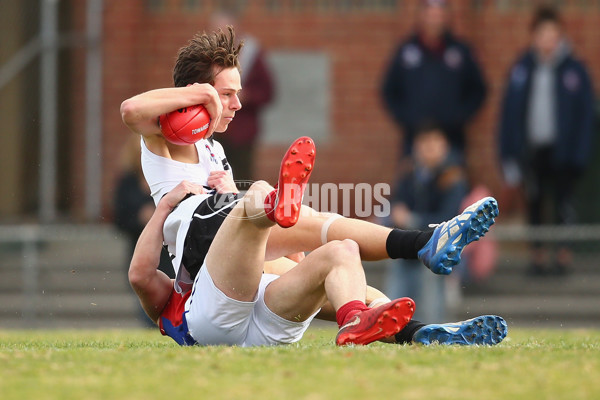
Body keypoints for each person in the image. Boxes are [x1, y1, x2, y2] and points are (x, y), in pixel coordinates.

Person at [121, 27, 506, 346]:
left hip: (262, 318)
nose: (237, 103)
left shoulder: (215, 148)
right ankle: (275, 206)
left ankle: (401, 311)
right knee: (255, 194)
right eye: (227, 94)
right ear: (196, 93)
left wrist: (235, 200)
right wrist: (204, 97)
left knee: (340, 250)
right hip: (210, 297)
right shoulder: (166, 134)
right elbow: (130, 110)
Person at [498, 5, 596, 276]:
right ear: (534, 36)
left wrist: (579, 153)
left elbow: (585, 116)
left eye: (553, 34)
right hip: (532, 150)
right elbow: (508, 115)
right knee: (535, 202)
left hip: (563, 151)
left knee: (564, 204)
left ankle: (564, 255)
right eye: (542, 34)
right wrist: (509, 153)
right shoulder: (522, 70)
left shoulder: (574, 70)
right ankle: (538, 256)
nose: (547, 41)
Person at [381, 0, 486, 158]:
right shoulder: (406, 51)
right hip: (414, 139)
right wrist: (408, 118)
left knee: (453, 181)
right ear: (422, 15)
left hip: (452, 139)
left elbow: (478, 89)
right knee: (413, 182)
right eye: (430, 14)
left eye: (439, 14)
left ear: (446, 16)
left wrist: (458, 117)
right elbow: (389, 90)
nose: (435, 19)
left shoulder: (460, 51)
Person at [385, 122, 468, 322]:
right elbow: (396, 203)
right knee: (395, 285)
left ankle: (431, 328)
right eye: (424, 143)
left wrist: (412, 219)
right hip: (408, 246)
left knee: (430, 294)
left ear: (444, 146)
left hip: (438, 247)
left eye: (434, 143)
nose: (428, 148)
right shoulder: (409, 174)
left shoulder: (453, 177)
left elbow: (448, 219)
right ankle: (392, 323)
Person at [207, 11, 274, 181]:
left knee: (241, 180)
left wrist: (247, 96)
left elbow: (267, 92)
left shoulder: (251, 55)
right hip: (211, 131)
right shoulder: (205, 56)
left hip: (241, 132)